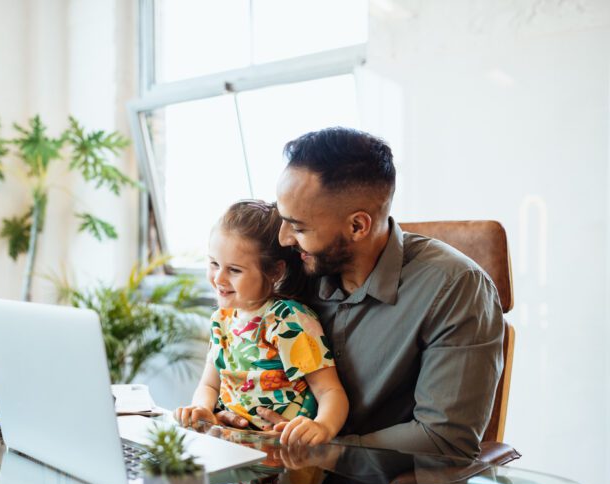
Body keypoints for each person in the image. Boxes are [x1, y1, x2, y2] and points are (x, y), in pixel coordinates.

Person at [216, 127, 504, 459]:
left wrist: (320, 449)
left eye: (298, 226)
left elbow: (443, 440)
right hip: (274, 481)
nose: (284, 239)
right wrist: (233, 417)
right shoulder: (295, 267)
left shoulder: (455, 286)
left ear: (357, 226)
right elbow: (240, 344)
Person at [175, 200, 350, 447]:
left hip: (289, 453)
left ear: (275, 272)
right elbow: (209, 384)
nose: (218, 278)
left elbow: (330, 391)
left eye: (234, 270)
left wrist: (322, 426)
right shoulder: (221, 320)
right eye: (214, 263)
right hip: (236, 449)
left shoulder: (287, 319)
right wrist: (202, 408)